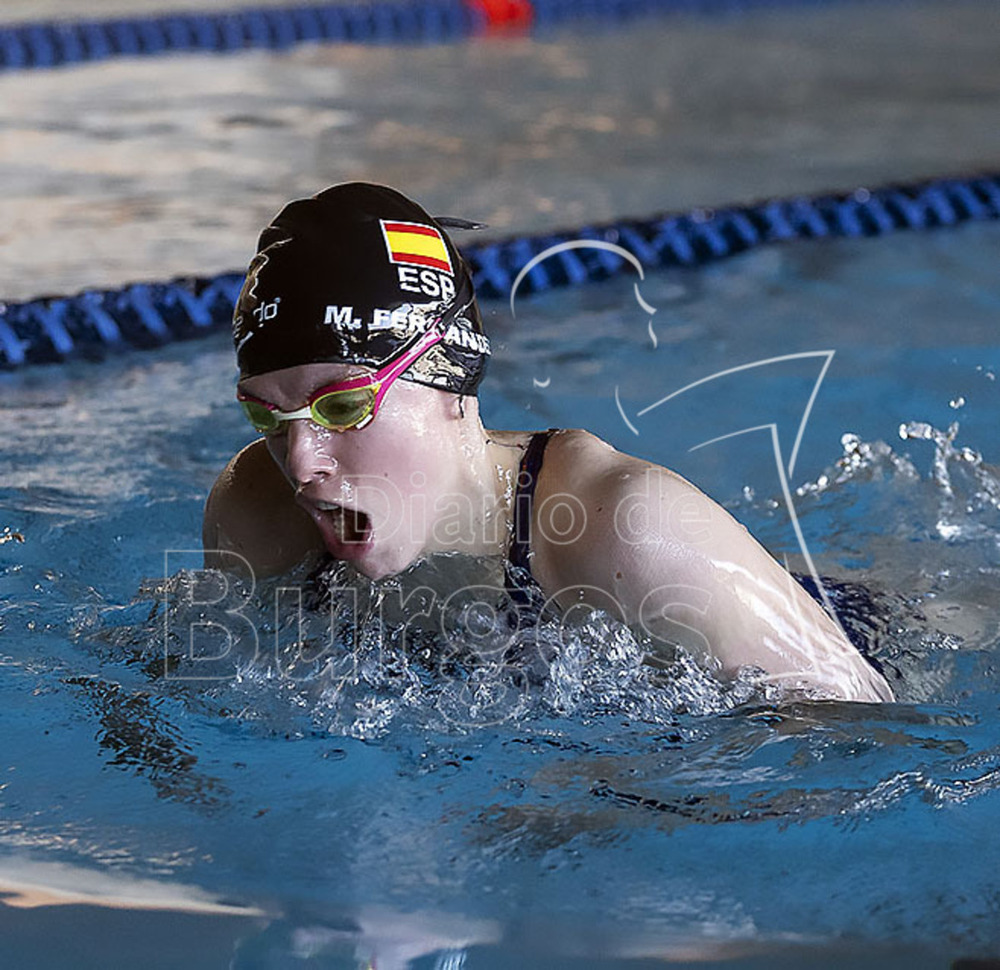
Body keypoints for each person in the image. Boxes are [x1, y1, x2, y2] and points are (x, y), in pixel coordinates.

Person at [203, 182, 894, 704]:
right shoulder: (257, 513)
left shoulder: (629, 528)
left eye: (345, 405)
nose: (300, 463)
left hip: (858, 633)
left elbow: (871, 739)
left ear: (451, 384)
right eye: (267, 416)